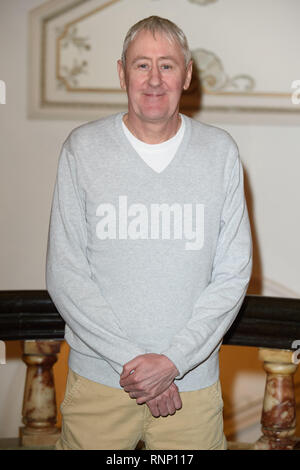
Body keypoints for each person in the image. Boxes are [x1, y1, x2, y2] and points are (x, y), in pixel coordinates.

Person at [46, 15, 252, 450]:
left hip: (192, 386)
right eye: (141, 65)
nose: (154, 79)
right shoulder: (82, 149)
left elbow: (233, 274)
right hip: (100, 382)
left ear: (188, 74)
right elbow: (66, 273)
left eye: (167, 65)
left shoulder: (220, 153)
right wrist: (142, 368)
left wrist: (174, 362)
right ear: (122, 72)